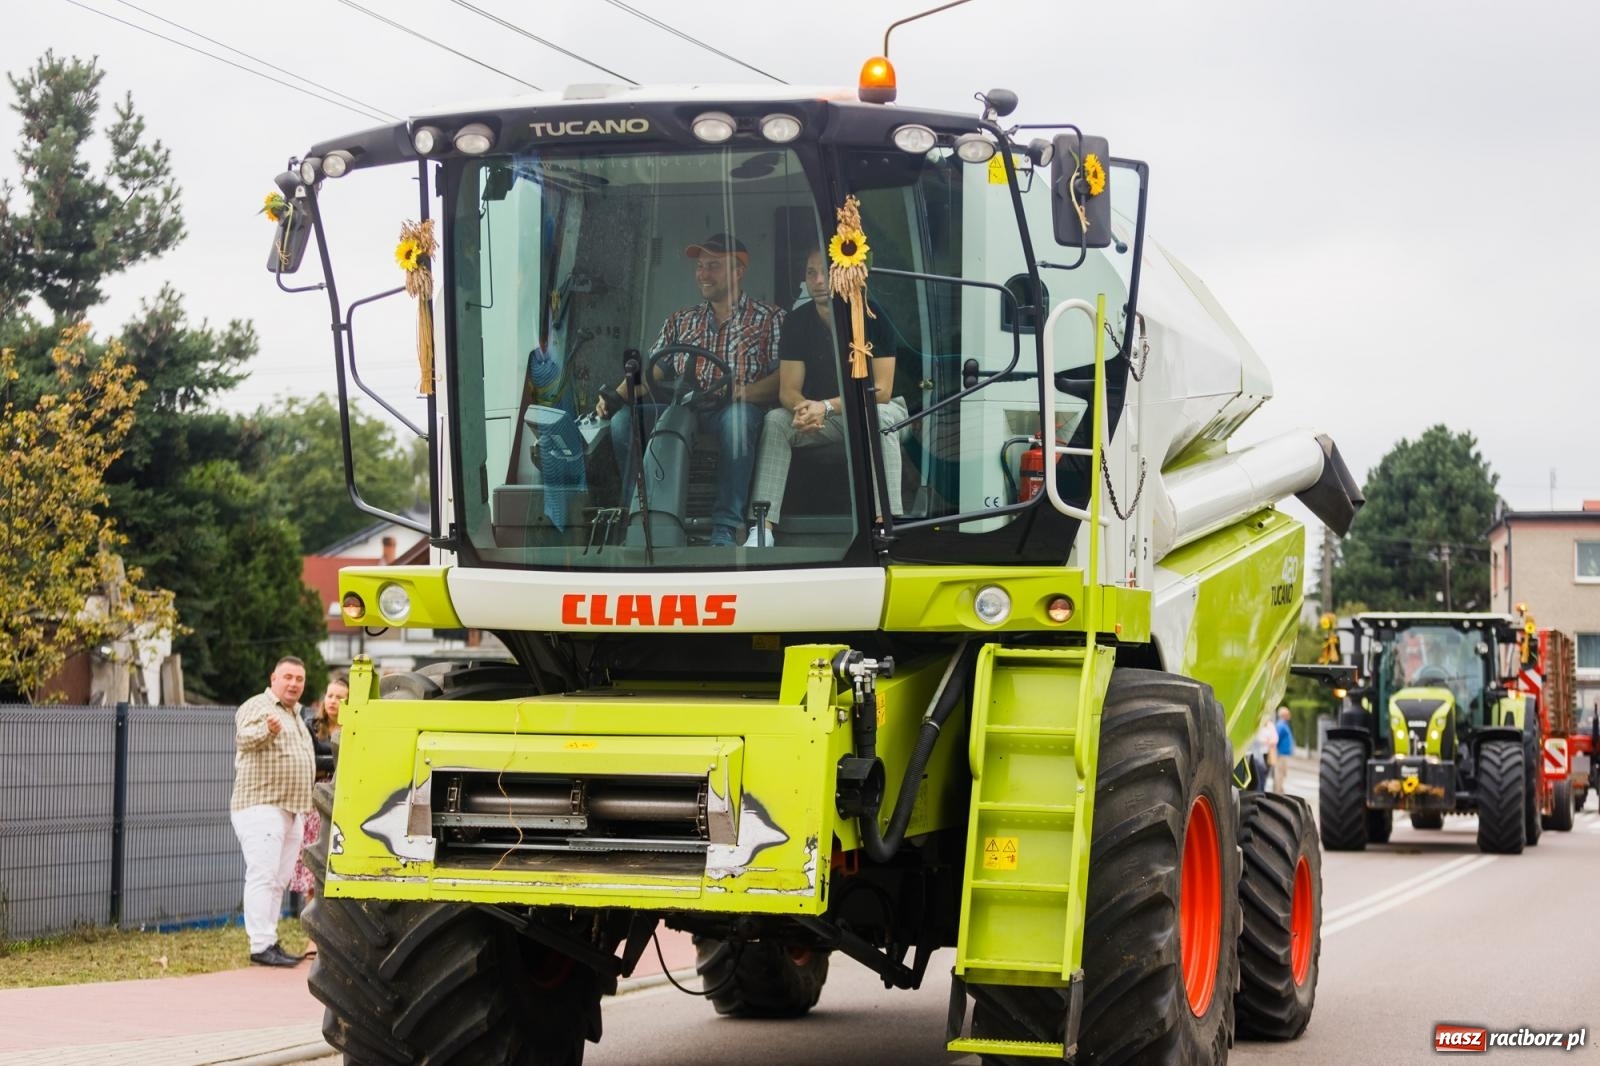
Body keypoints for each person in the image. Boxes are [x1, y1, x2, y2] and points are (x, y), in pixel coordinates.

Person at [596, 232, 783, 546]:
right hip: (687, 409)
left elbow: (784, 378)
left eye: (713, 266)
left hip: (735, 409)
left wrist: (742, 393)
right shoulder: (681, 321)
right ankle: (638, 519)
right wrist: (615, 397)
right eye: (700, 266)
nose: (703, 274)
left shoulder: (771, 319)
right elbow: (649, 374)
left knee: (738, 422)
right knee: (624, 422)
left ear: (738, 272)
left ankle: (725, 527)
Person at [745, 246, 906, 546]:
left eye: (826, 272)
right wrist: (803, 409)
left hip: (872, 411)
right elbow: (788, 390)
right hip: (824, 419)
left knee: (880, 417)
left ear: (844, 274)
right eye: (810, 272)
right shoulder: (796, 322)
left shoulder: (873, 315)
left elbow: (882, 391)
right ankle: (761, 528)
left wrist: (826, 406)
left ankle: (887, 522)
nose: (818, 280)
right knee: (777, 420)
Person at [230, 656, 317, 967]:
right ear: (274, 678)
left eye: (299, 679)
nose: (294, 683)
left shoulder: (296, 714)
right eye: (288, 677)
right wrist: (266, 730)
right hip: (262, 805)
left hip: (292, 809)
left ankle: (269, 940)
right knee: (263, 875)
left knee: (278, 879)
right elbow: (243, 738)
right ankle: (260, 945)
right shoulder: (258, 706)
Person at [288, 672, 348, 957]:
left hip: (345, 801)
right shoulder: (313, 727)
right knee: (313, 870)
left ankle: (337, 935)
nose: (333, 701)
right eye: (330, 695)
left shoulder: (353, 728)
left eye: (340, 696)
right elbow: (311, 759)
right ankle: (313, 938)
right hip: (317, 801)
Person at [1273, 706, 1294, 793]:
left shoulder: (1283, 724)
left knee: (1281, 773)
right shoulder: (1281, 725)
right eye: (1288, 713)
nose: (1289, 715)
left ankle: (1279, 790)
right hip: (1281, 753)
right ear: (1284, 715)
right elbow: (1276, 738)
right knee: (1280, 773)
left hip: (1283, 753)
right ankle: (1278, 792)